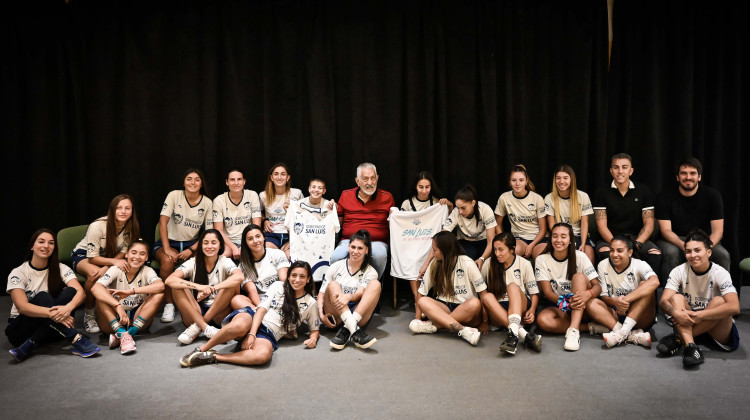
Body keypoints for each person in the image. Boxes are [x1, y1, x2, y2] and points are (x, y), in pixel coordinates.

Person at [178, 261, 320, 367]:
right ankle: (200, 350)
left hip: (268, 335)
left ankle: (214, 357)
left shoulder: (311, 303)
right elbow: (261, 310)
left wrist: (313, 339)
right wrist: (252, 334)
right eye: (294, 275)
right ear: (288, 277)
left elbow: (314, 329)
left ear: (308, 279)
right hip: (254, 319)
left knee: (262, 356)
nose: (297, 280)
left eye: (302, 276)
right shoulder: (278, 286)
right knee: (239, 325)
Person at [6, 229, 100, 361]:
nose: (46, 246)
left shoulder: (61, 268)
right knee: (43, 297)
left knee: (70, 292)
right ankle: (76, 338)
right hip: (20, 332)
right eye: (41, 242)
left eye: (51, 243)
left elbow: (81, 293)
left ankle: (32, 343)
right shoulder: (18, 272)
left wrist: (66, 309)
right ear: (32, 246)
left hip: (54, 329)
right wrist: (55, 314)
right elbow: (22, 307)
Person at [657, 229, 740, 368]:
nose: (692, 255)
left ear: (709, 252)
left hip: (715, 327)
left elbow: (734, 307)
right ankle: (691, 346)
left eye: (697, 250)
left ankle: (678, 339)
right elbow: (664, 301)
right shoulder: (679, 271)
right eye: (688, 251)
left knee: (719, 302)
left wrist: (700, 315)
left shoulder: (720, 273)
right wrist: (675, 313)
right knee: (676, 297)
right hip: (690, 322)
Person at [534, 223, 619, 351]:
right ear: (550, 239)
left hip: (583, 305)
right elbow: (547, 292)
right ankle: (591, 327)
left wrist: (588, 294)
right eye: (555, 236)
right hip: (562, 305)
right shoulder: (542, 259)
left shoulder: (580, 256)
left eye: (563, 236)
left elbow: (598, 287)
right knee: (542, 320)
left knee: (578, 277)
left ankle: (573, 331)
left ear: (570, 240)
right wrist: (567, 302)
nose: (558, 240)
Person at [71, 194, 140, 334]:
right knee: (94, 274)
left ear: (132, 211)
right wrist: (112, 263)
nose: (123, 211)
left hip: (109, 259)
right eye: (119, 208)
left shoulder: (131, 227)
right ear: (112, 210)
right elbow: (92, 258)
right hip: (84, 256)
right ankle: (89, 314)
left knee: (119, 270)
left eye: (127, 208)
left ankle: (120, 311)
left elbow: (124, 252)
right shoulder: (97, 226)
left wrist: (109, 266)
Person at [656, 157, 730, 283]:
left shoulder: (712, 196)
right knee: (671, 253)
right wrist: (684, 246)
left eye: (693, 173)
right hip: (675, 239)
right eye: (683, 173)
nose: (688, 177)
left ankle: (724, 294)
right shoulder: (664, 196)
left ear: (699, 177)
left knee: (722, 255)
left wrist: (706, 247)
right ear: (677, 177)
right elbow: (666, 230)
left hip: (704, 239)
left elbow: (718, 231)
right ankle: (670, 297)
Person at [164, 229, 243, 345]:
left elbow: (239, 277)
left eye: (213, 243)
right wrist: (198, 287)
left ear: (220, 245)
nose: (209, 246)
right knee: (177, 286)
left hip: (218, 313)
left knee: (232, 283)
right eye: (205, 243)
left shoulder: (224, 261)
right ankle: (206, 328)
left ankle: (199, 327)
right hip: (196, 312)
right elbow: (169, 280)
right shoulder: (194, 262)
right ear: (200, 245)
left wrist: (212, 289)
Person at [155, 168, 213, 323]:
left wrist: (192, 249)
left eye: (197, 179)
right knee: (167, 260)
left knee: (204, 259)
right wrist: (167, 248)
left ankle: (197, 302)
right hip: (170, 242)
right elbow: (163, 222)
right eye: (189, 178)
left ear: (202, 184)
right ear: (183, 182)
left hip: (191, 244)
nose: (192, 182)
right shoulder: (174, 195)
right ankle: (169, 304)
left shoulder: (207, 202)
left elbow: (208, 232)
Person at [409, 231, 485, 346]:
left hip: (466, 309)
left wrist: (485, 321)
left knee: (475, 303)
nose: (433, 254)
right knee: (423, 301)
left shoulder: (467, 263)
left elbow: (483, 294)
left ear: (445, 250)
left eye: (435, 250)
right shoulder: (434, 264)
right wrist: (417, 319)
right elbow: (421, 294)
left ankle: (435, 326)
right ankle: (463, 330)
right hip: (445, 307)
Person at [91, 239, 165, 355]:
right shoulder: (116, 269)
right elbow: (95, 288)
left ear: (146, 258)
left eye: (142, 254)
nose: (137, 257)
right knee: (101, 295)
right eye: (133, 252)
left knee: (158, 294)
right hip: (114, 319)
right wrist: (118, 306)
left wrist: (131, 292)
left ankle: (126, 335)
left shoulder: (147, 270)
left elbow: (160, 286)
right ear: (126, 254)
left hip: (137, 320)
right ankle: (121, 332)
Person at [592, 153, 662, 276]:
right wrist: (617, 245)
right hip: (610, 239)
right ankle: (608, 291)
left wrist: (637, 244)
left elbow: (649, 224)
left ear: (631, 171)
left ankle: (648, 292)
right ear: (611, 171)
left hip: (636, 239)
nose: (620, 171)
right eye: (616, 167)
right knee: (605, 252)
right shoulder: (601, 192)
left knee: (654, 253)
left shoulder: (644, 191)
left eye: (624, 167)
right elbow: (602, 227)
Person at [398, 171, 453, 319]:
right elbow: (402, 225)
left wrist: (448, 204)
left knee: (435, 257)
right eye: (420, 187)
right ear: (415, 187)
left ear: (431, 187)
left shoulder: (436, 202)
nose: (424, 190)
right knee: (413, 260)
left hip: (430, 244)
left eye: (427, 187)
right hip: (412, 244)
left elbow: (451, 217)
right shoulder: (407, 204)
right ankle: (419, 299)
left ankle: (426, 300)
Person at [318, 229, 381, 350]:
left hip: (358, 313)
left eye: (360, 248)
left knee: (375, 284)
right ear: (348, 247)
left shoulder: (371, 271)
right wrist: (321, 315)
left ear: (366, 250)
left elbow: (360, 293)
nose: (355, 251)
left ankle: (348, 329)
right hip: (335, 314)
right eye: (353, 247)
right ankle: (355, 331)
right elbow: (321, 294)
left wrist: (348, 297)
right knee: (332, 285)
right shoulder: (336, 266)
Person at [480, 232, 543, 354]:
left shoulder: (523, 263)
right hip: (498, 309)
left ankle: (512, 336)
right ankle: (522, 335)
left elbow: (534, 293)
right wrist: (485, 321)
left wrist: (532, 310)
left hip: (520, 305)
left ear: (512, 250)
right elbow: (482, 293)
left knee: (513, 286)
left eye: (501, 250)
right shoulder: (488, 263)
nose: (497, 254)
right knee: (487, 296)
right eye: (495, 250)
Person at [331, 162, 395, 279]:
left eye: (373, 178)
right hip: (349, 240)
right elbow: (337, 222)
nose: (370, 183)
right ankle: (342, 287)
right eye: (365, 179)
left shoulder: (387, 197)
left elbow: (394, 223)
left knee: (378, 255)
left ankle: (372, 287)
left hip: (376, 242)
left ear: (377, 178)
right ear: (357, 181)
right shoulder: (346, 195)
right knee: (336, 256)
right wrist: (330, 210)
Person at [596, 236, 658, 348]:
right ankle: (629, 334)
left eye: (619, 251)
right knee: (592, 303)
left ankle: (622, 333)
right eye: (612, 250)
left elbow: (655, 282)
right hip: (616, 314)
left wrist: (625, 300)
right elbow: (604, 297)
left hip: (639, 315)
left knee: (646, 285)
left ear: (630, 252)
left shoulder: (639, 264)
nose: (614, 254)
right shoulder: (603, 265)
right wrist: (616, 302)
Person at [285, 177, 340, 282]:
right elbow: (290, 228)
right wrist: (289, 209)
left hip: (321, 247)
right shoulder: (297, 205)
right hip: (303, 245)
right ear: (309, 189)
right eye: (314, 187)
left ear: (324, 191)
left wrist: (333, 209)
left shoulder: (329, 205)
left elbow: (336, 229)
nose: (316, 190)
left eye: (320, 188)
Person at [436, 184, 497, 270]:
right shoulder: (456, 212)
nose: (460, 211)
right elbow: (441, 236)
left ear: (473, 203)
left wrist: (482, 259)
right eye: (458, 207)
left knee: (487, 266)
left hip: (484, 241)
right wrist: (426, 265)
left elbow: (491, 241)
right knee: (466, 264)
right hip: (466, 242)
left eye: (463, 208)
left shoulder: (485, 209)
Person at [495, 165, 548, 261]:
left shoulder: (537, 198)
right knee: (511, 254)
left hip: (538, 239)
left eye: (521, 180)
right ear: (509, 182)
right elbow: (497, 224)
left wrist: (532, 245)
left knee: (540, 258)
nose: (517, 183)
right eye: (514, 180)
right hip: (519, 238)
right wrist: (503, 242)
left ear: (526, 181)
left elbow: (543, 229)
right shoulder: (504, 198)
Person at [544, 165, 595, 263]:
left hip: (578, 235)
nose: (561, 181)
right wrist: (561, 240)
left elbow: (584, 223)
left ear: (572, 179)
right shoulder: (549, 198)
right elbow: (552, 225)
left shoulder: (583, 196)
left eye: (565, 178)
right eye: (558, 178)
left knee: (588, 258)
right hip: (559, 236)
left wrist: (583, 244)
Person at [213, 167, 262, 260]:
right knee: (222, 257)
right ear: (227, 182)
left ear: (244, 181)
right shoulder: (219, 200)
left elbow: (256, 224)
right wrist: (234, 247)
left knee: (257, 253)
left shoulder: (252, 195)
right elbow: (218, 230)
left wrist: (244, 246)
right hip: (227, 241)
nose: (236, 183)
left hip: (249, 239)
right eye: (232, 180)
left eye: (239, 179)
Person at [236, 224, 290, 307]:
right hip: (262, 302)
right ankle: (262, 318)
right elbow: (252, 292)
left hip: (280, 297)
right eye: (250, 239)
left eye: (258, 236)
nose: (255, 241)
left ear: (264, 237)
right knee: (237, 300)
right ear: (246, 243)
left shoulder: (277, 254)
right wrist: (261, 309)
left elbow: (284, 281)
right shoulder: (243, 266)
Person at [259, 163, 304, 259]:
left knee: (289, 257)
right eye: (276, 174)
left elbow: (304, 216)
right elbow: (258, 213)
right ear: (271, 177)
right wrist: (264, 220)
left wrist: (291, 211)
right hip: (272, 234)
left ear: (288, 177)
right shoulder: (263, 195)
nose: (279, 177)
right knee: (268, 255)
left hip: (291, 235)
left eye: (283, 174)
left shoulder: (296, 193)